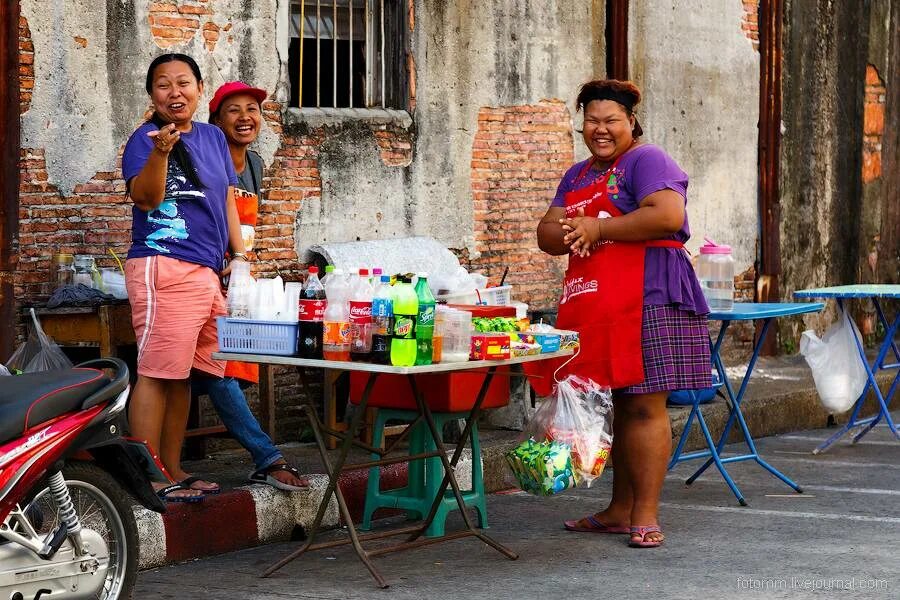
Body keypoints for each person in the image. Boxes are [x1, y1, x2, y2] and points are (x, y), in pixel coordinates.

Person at [534, 79, 712, 548]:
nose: (601, 129)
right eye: (592, 120)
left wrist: (599, 226)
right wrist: (575, 228)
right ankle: (617, 510)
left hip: (650, 294)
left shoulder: (646, 160)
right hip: (599, 302)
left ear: (631, 121)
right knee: (614, 405)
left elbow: (668, 215)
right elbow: (548, 233)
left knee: (643, 404)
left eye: (611, 120)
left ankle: (646, 514)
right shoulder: (576, 175)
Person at [123, 53, 247, 502]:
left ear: (198, 88)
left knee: (184, 376)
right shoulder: (145, 139)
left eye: (183, 83)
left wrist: (241, 253)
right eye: (163, 85)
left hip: (205, 271)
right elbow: (146, 199)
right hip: (165, 265)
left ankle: (171, 469)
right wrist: (161, 151)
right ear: (152, 94)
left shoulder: (214, 137)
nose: (174, 92)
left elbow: (225, 199)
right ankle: (147, 477)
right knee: (156, 374)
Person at [194, 81, 308, 491]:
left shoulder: (256, 164)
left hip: (237, 274)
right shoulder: (206, 159)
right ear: (215, 121)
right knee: (221, 368)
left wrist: (242, 266)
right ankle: (266, 456)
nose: (245, 117)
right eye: (233, 110)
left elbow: (244, 226)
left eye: (252, 109)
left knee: (239, 361)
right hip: (206, 273)